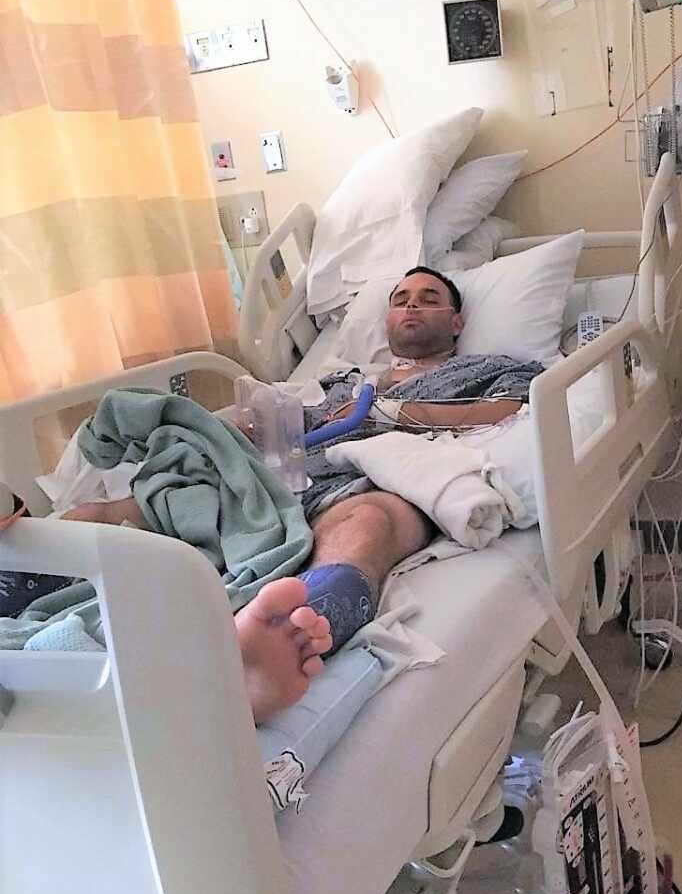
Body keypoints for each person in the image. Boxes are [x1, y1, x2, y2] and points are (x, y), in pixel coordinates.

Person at [60, 267, 541, 721]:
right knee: (117, 510)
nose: (411, 307)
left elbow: (504, 411)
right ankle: (33, 572)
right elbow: (291, 426)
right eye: (400, 300)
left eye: (428, 299)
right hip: (279, 478)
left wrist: (401, 413)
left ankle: (274, 643)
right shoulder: (346, 379)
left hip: (374, 475)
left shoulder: (491, 366)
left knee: (367, 524)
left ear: (456, 321)